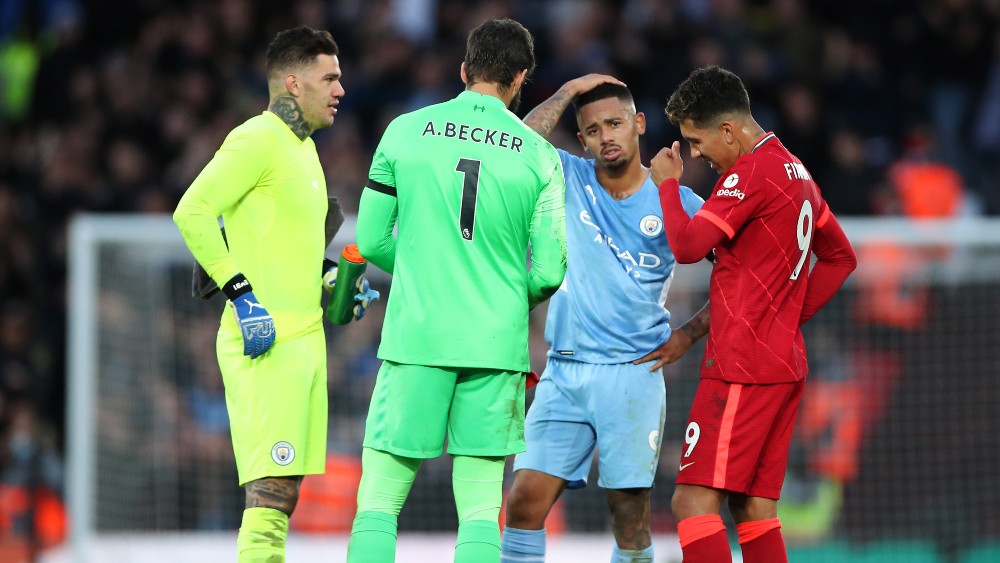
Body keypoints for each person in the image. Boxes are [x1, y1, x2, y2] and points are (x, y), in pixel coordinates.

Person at [347, 18, 567, 563]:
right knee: (479, 509)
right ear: (521, 78)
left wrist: (426, 272)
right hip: (495, 344)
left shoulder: (404, 131)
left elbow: (370, 240)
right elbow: (549, 272)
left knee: (379, 500)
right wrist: (501, 296)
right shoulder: (540, 156)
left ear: (464, 69)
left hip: (418, 335)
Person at [172, 26, 376, 562]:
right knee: (269, 492)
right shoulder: (257, 138)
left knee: (283, 496)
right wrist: (241, 295)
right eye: (329, 78)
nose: (341, 89)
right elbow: (192, 211)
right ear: (293, 82)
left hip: (304, 339)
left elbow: (287, 248)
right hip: (265, 341)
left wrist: (332, 279)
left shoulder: (304, 149)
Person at [649, 65, 858, 563]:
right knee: (754, 509)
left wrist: (668, 186)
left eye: (696, 141)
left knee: (692, 502)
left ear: (728, 130)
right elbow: (840, 257)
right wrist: (783, 318)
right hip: (781, 365)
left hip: (742, 369)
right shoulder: (794, 169)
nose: (695, 155)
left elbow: (687, 246)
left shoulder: (750, 174)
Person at [499, 75, 711, 563]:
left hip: (632, 374)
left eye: (615, 124)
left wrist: (689, 333)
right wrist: (568, 91)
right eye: (593, 130)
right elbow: (515, 142)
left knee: (628, 518)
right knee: (523, 502)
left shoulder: (676, 200)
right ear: (582, 139)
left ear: (639, 124)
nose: (606, 137)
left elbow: (743, 275)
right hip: (564, 371)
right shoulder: (567, 176)